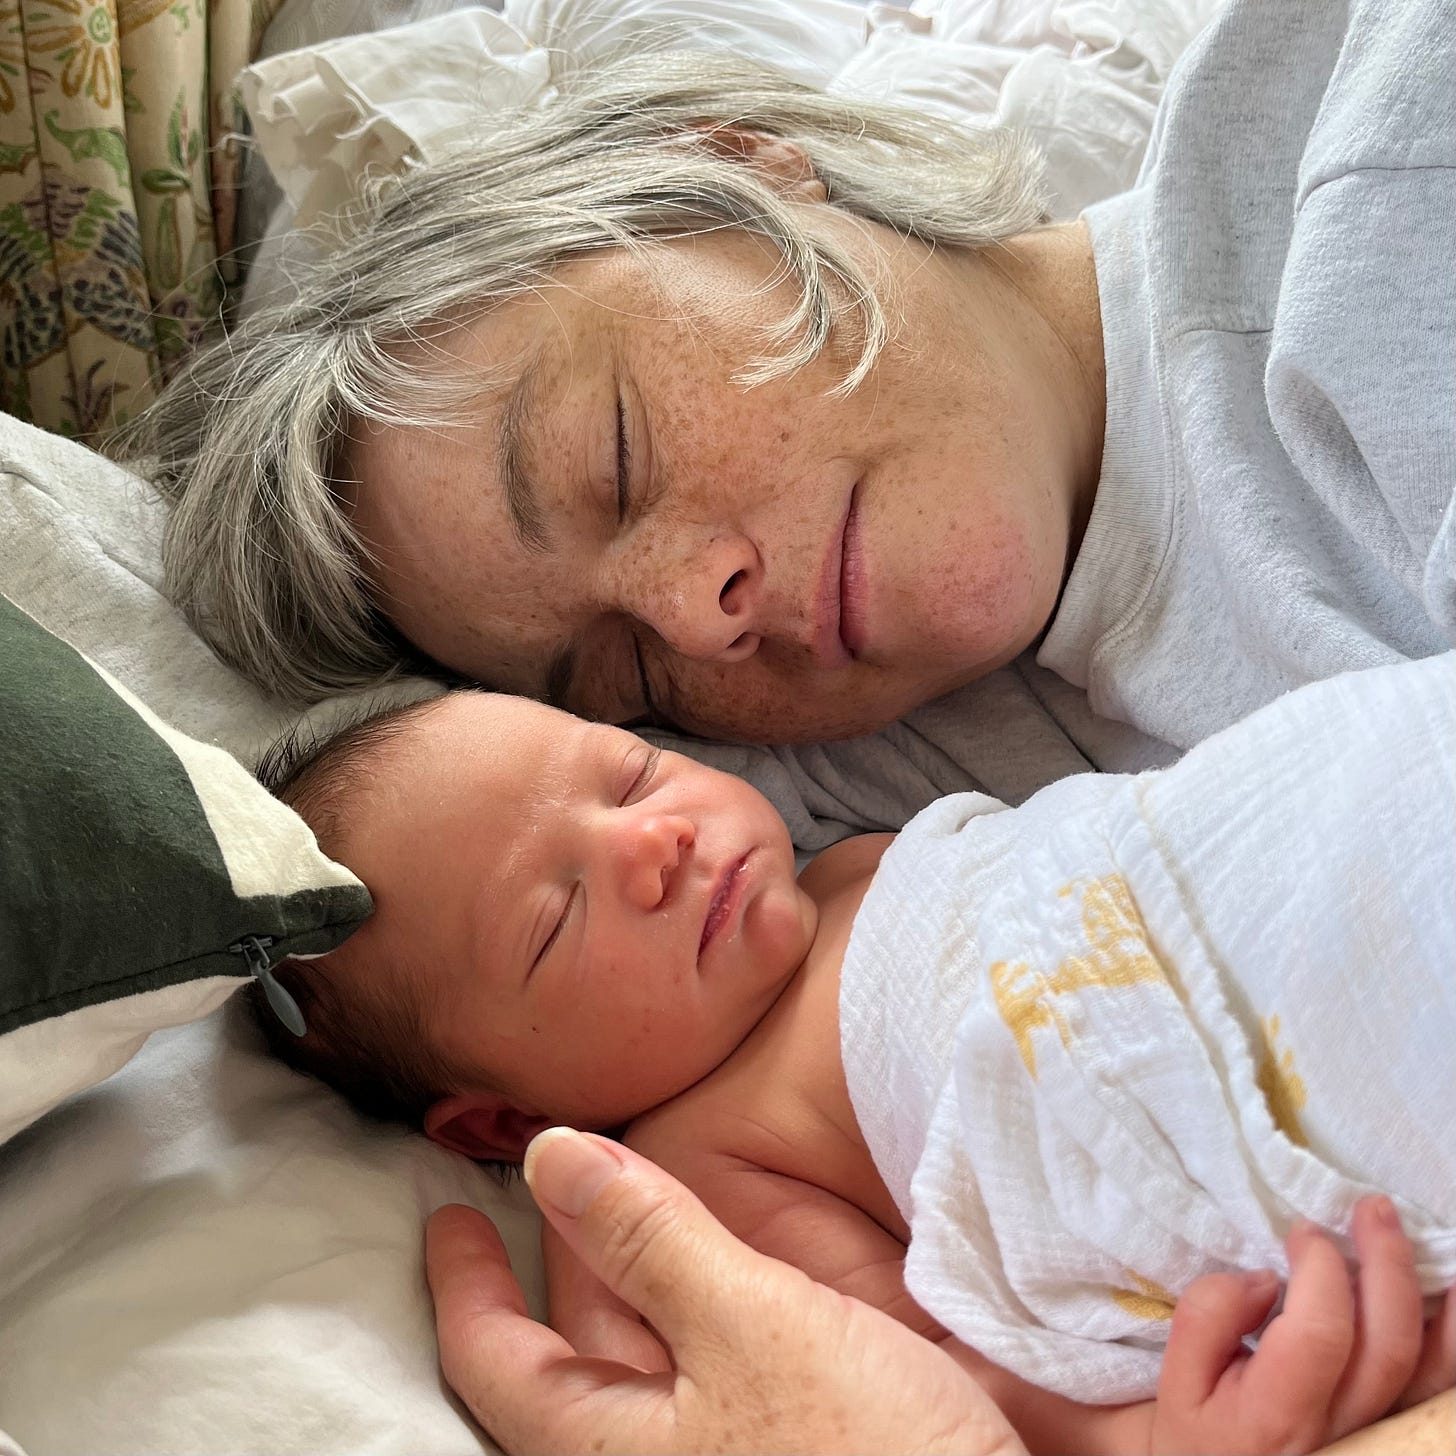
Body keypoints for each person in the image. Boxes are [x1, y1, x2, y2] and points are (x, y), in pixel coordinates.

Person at [124, 0, 1454, 850]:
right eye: (630, 680)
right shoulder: (882, 794)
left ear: (727, 162)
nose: (701, 620)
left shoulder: (1364, 146)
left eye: (622, 457)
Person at [252, 653, 1456, 1454]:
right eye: (555, 917)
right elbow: (945, 1381)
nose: (650, 843)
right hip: (1272, 1077)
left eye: (627, 771)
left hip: (1290, 831)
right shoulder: (703, 1164)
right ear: (504, 1125)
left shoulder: (849, 857)